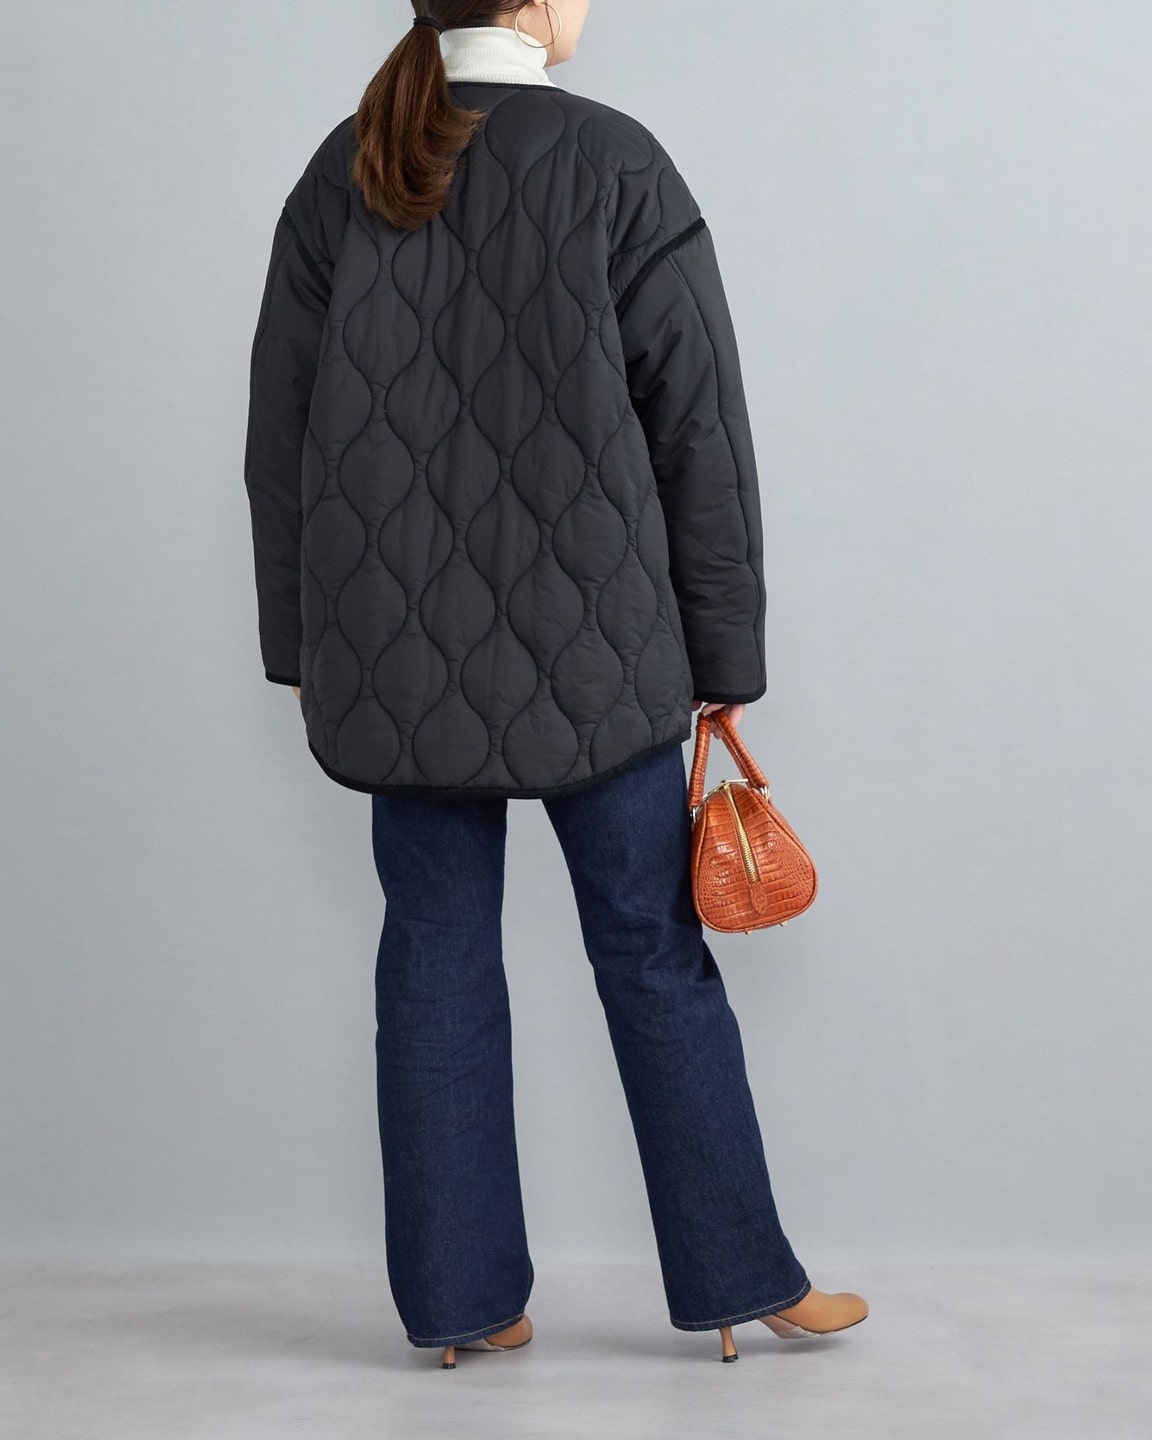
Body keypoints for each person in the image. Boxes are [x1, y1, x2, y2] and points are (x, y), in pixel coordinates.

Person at [242, 0, 868, 1368]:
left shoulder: (347, 164)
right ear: (530, 0)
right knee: (653, 955)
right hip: (606, 650)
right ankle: (740, 1285)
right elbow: (699, 429)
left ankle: (460, 1308)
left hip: (396, 653)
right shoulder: (614, 159)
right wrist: (726, 655)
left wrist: (302, 645)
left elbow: (279, 434)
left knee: (434, 959)